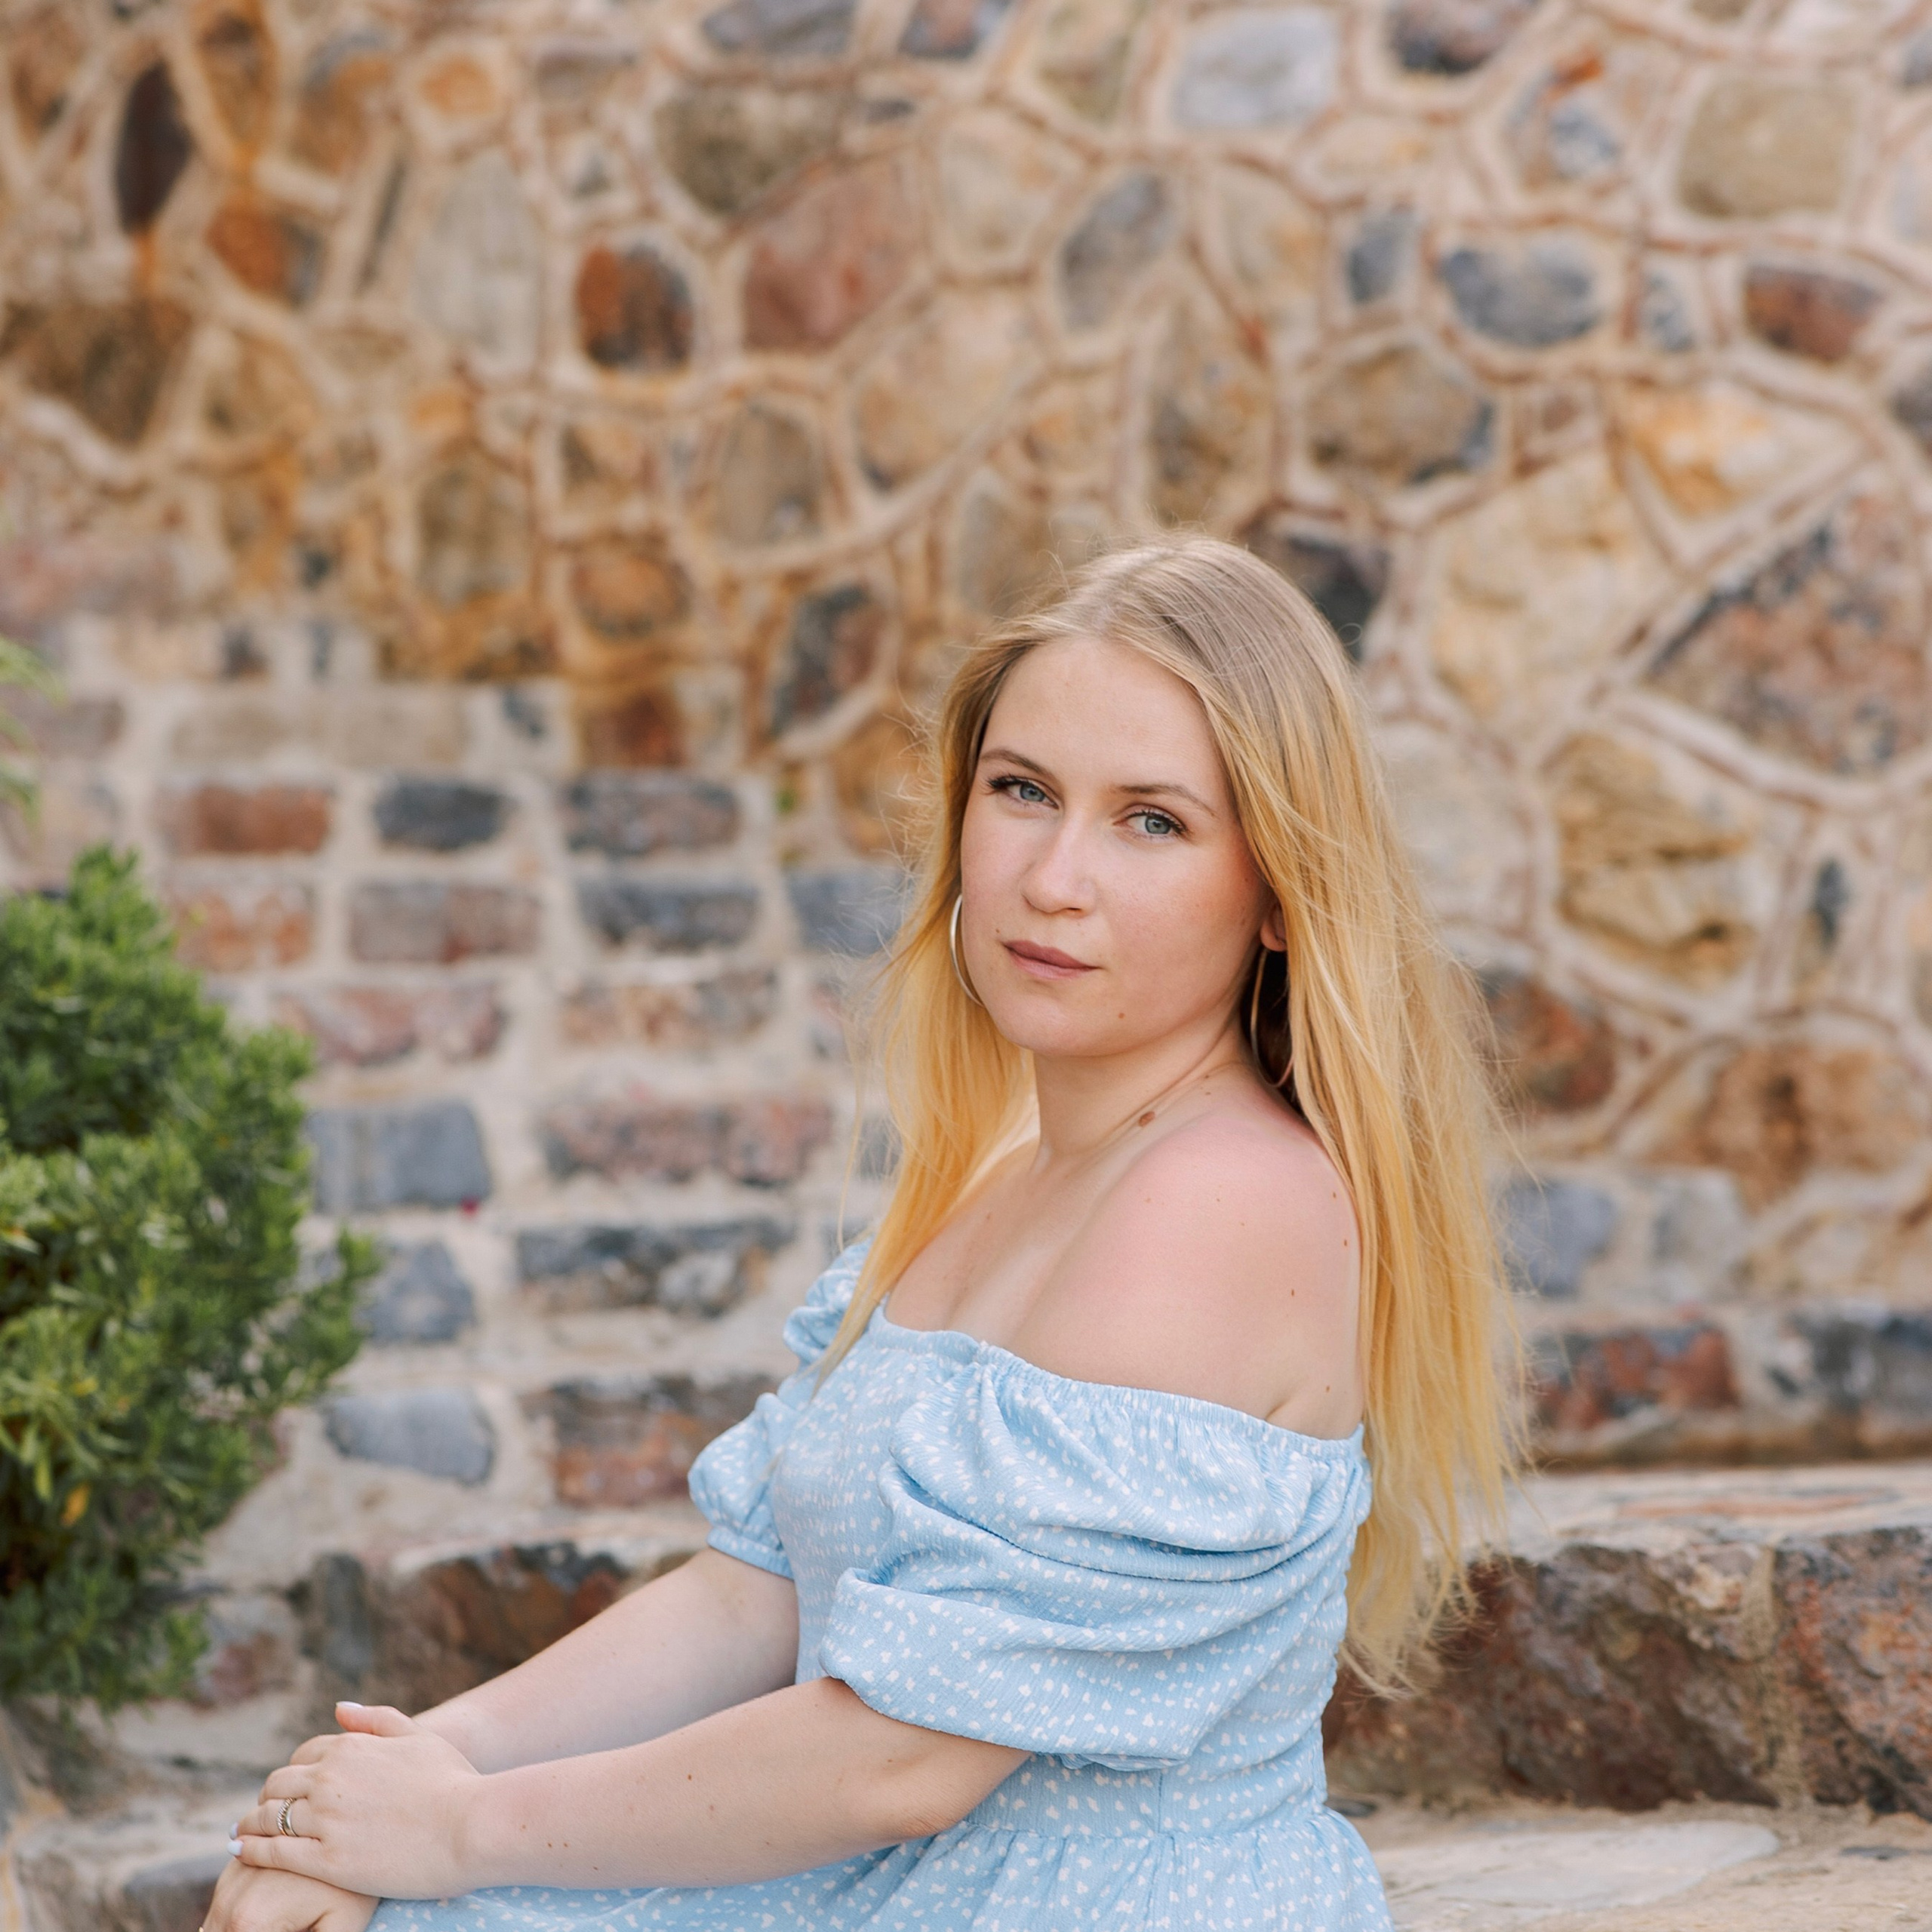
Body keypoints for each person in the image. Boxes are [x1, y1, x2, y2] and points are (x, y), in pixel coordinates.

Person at [208, 537, 1516, 1932]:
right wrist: (390, 1781)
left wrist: (459, 1833)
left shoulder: (1224, 1202)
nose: (1053, 877)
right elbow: (750, 1594)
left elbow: (903, 1757)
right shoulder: (1006, 1174)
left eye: (1153, 822)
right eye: (1022, 793)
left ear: (1275, 894)